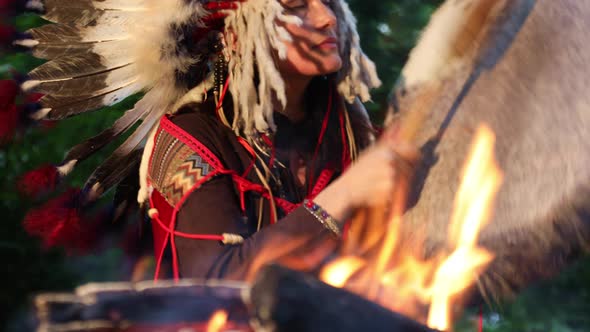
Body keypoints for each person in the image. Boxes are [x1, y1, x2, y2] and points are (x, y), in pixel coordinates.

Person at [14, 0, 415, 280]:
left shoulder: (349, 132)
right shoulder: (187, 140)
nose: (328, 18)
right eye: (295, 6)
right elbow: (218, 281)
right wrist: (344, 197)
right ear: (235, 35)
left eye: (328, 0)